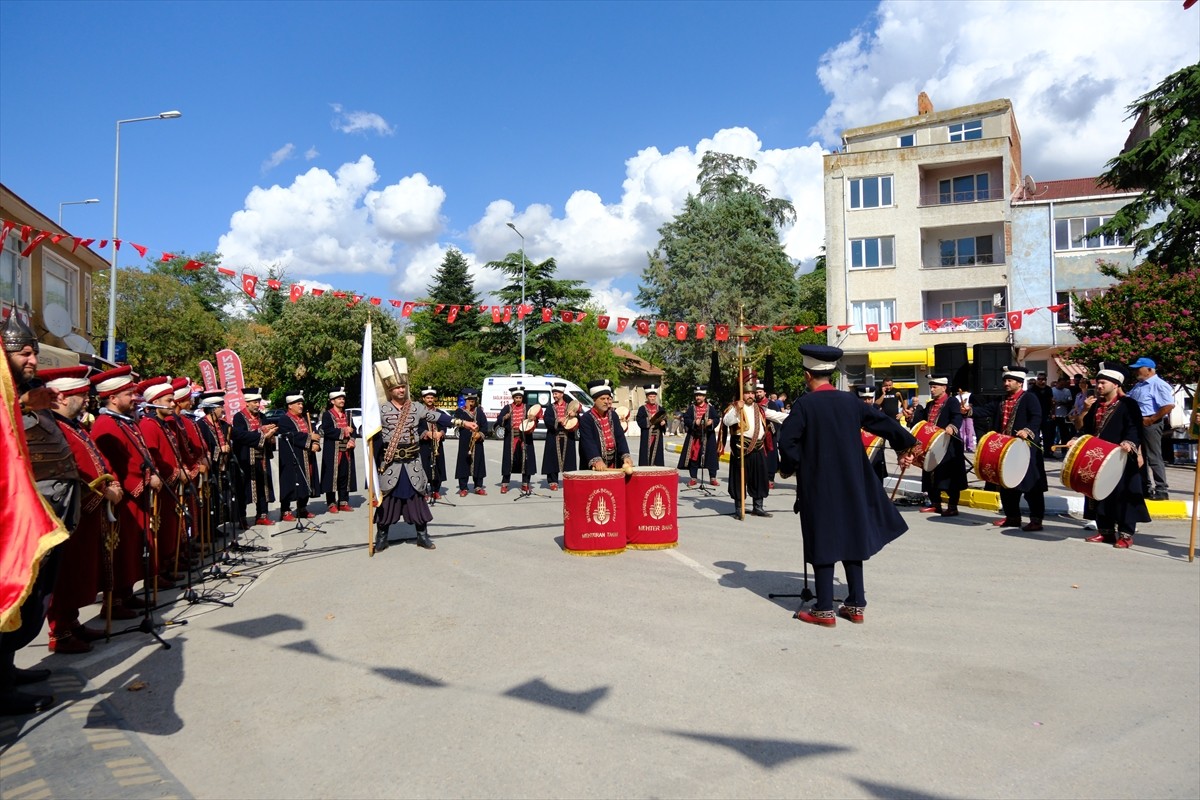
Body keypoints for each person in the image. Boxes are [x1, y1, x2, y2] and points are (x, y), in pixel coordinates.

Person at [776, 345, 917, 627]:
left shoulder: (805, 404)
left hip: (819, 483)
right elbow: (884, 423)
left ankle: (824, 609)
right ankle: (855, 604)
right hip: (854, 481)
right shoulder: (851, 401)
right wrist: (907, 443)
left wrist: (791, 467)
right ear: (830, 372)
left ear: (807, 375)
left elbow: (787, 442)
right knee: (852, 535)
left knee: (823, 537)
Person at [1, 316, 80, 715]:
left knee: (34, 597)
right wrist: (19, 405)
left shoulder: (31, 390)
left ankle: (8, 670)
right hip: (13, 517)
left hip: (46, 508)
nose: (33, 359)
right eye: (24, 352)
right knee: (13, 596)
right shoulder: (9, 396)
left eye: (34, 351)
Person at [41, 367, 120, 655]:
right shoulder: (53, 427)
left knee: (80, 571)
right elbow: (68, 473)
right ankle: (59, 632)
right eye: (80, 395)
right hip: (71, 514)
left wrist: (113, 483)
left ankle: (71, 622)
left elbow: (96, 461)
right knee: (67, 573)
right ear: (61, 396)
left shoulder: (73, 426)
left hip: (89, 513)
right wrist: (102, 491)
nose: (86, 401)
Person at [372, 358, 476, 551]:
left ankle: (422, 536)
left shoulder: (416, 407)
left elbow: (438, 417)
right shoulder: (379, 409)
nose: (401, 390)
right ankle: (382, 537)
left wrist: (463, 423)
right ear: (390, 390)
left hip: (413, 462)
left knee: (417, 500)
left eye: (403, 386)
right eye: (397, 388)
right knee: (386, 502)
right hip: (390, 463)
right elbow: (371, 435)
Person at [90, 366, 156, 621]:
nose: (133, 398)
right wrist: (139, 483)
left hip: (134, 495)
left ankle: (127, 592)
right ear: (113, 397)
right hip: (124, 498)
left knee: (132, 548)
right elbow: (115, 462)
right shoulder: (105, 424)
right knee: (120, 550)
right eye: (128, 393)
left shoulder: (122, 422)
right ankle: (114, 600)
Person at [1071, 362, 1151, 548]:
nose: (1098, 387)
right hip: (1098, 457)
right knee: (1099, 493)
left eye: (1103, 383)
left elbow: (1135, 428)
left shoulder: (1128, 404)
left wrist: (1129, 443)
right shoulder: (1095, 405)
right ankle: (1105, 532)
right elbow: (1086, 430)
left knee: (1123, 496)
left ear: (1115, 384)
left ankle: (1125, 534)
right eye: (1098, 383)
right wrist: (1076, 439)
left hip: (1121, 456)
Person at [963, 366, 1048, 531]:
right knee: (1007, 484)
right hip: (1006, 450)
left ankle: (1036, 520)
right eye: (1005, 380)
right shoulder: (1001, 400)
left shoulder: (1029, 398)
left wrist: (1027, 430)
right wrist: (969, 411)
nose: (1006, 383)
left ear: (1019, 382)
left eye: (1009, 380)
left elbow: (1037, 417)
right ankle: (1012, 517)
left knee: (1031, 486)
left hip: (1026, 449)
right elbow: (985, 410)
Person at [723, 380, 789, 517]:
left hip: (758, 448)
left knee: (759, 477)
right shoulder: (733, 407)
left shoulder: (760, 409)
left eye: (752, 393)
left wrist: (797, 416)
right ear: (742, 394)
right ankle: (739, 508)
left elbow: (778, 416)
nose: (750, 396)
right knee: (739, 478)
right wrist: (737, 410)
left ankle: (757, 506)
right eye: (747, 393)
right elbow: (727, 421)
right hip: (740, 449)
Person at [911, 376, 967, 516]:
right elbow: (922, 421)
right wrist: (910, 417)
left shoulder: (952, 402)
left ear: (944, 388)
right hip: (932, 445)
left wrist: (952, 427)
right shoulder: (930, 404)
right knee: (930, 474)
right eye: (931, 386)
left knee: (950, 476)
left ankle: (952, 506)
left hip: (948, 445)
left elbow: (957, 417)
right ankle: (935, 503)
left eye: (935, 386)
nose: (932, 389)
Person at [1126, 356, 1175, 500]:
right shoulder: (1139, 385)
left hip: (1151, 423)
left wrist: (1152, 419)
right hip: (1137, 423)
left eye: (1138, 368)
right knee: (1139, 456)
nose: (1136, 371)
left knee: (1154, 456)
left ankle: (1161, 489)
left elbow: (1168, 405)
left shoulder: (1158, 384)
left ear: (1149, 370)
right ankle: (1144, 488)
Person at [232, 388, 278, 526]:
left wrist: (271, 436)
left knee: (263, 486)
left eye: (258, 402)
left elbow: (267, 435)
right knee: (244, 488)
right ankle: (242, 517)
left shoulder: (262, 417)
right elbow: (240, 436)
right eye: (254, 402)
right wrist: (261, 431)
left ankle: (262, 515)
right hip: (245, 458)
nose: (257, 405)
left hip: (262, 456)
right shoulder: (239, 417)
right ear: (246, 403)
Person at [276, 393, 320, 521]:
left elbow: (312, 432)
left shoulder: (303, 418)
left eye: (301, 403)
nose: (301, 406)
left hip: (306, 455)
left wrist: (315, 443)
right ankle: (285, 510)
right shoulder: (284, 419)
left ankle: (302, 508)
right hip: (292, 457)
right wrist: (309, 438)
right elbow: (291, 435)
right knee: (289, 483)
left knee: (306, 481)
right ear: (290, 406)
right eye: (298, 404)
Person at [577, 379, 633, 469]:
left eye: (608, 398)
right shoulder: (586, 419)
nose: (606, 401)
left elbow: (620, 437)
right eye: (603, 399)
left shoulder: (613, 415)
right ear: (594, 400)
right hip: (596, 466)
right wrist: (596, 460)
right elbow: (588, 442)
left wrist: (625, 455)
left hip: (614, 463)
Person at [320, 387, 357, 513]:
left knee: (344, 475)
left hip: (347, 451)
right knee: (332, 476)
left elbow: (354, 430)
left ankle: (343, 501)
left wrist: (352, 440)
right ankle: (331, 503)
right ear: (332, 401)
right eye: (339, 398)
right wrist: (344, 431)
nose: (342, 400)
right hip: (333, 451)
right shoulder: (327, 415)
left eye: (343, 398)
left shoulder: (348, 414)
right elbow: (328, 431)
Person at [496, 387, 536, 494]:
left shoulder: (527, 408)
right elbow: (499, 420)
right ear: (513, 398)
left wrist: (533, 418)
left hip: (525, 437)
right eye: (516, 397)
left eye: (520, 397)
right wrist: (505, 417)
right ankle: (505, 483)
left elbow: (536, 416)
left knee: (526, 460)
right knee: (509, 461)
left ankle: (525, 483)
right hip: (511, 438)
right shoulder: (507, 408)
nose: (518, 399)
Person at [678, 385, 720, 487]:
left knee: (711, 457)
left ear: (704, 397)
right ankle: (693, 478)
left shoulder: (710, 408)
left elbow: (717, 418)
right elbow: (686, 418)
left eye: (700, 395)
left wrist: (712, 422)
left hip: (708, 436)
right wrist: (694, 422)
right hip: (694, 437)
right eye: (697, 395)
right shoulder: (691, 409)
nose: (698, 397)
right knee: (694, 457)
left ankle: (713, 478)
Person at [542, 381, 578, 489]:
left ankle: (569, 480)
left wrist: (574, 415)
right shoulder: (550, 407)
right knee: (552, 458)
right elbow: (547, 419)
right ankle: (553, 481)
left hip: (568, 436)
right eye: (553, 393)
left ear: (562, 394)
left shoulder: (570, 407)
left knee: (569, 459)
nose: (554, 395)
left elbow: (578, 419)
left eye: (556, 393)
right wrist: (557, 421)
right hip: (554, 435)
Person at [453, 390, 489, 496]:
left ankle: (478, 486)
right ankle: (463, 488)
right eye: (469, 400)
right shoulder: (460, 411)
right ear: (465, 400)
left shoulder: (479, 412)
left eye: (473, 400)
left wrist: (480, 434)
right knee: (463, 463)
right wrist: (467, 411)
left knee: (478, 463)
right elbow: (457, 423)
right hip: (464, 442)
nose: (471, 403)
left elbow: (485, 426)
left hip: (477, 443)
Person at [417, 387, 448, 500]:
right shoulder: (419, 413)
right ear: (423, 399)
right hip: (424, 445)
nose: (430, 399)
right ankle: (424, 490)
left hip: (437, 444)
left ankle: (436, 490)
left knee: (437, 466)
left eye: (431, 397)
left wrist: (441, 433)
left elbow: (444, 425)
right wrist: (426, 433)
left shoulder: (439, 413)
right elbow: (416, 427)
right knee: (424, 466)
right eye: (427, 397)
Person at [754, 382, 781, 488]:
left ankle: (770, 478)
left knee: (770, 457)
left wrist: (769, 428)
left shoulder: (771, 404)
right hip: (756, 436)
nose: (758, 394)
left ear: (764, 392)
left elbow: (777, 419)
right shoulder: (754, 404)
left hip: (769, 435)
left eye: (760, 392)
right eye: (756, 392)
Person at [859, 386, 888, 484]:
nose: (867, 401)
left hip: (876, 450)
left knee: (877, 479)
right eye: (864, 399)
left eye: (869, 398)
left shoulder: (878, 411)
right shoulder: (855, 411)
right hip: (861, 450)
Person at [635, 384, 667, 466]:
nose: (652, 398)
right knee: (645, 455)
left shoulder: (660, 409)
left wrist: (664, 423)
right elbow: (639, 421)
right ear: (647, 397)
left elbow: (665, 419)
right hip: (647, 436)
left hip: (657, 436)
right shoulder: (642, 409)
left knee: (657, 455)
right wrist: (649, 420)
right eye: (650, 396)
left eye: (654, 396)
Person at [1030, 372, 1056, 453]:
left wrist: (1053, 413)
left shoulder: (1048, 389)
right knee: (1035, 434)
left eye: (1043, 379)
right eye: (1039, 379)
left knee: (1048, 435)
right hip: (1034, 415)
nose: (1041, 381)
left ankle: (1048, 452)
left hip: (1046, 414)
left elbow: (1052, 402)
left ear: (1046, 380)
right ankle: (1035, 451)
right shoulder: (1032, 389)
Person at [1052, 377, 1074, 456]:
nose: (1062, 386)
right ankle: (1051, 449)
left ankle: (1064, 450)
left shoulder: (1067, 391)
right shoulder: (1053, 390)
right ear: (1058, 383)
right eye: (1061, 384)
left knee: (1064, 433)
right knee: (1052, 433)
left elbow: (1070, 402)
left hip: (1063, 415)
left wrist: (1063, 403)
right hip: (1055, 414)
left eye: (1064, 384)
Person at [956, 385, 976, 452]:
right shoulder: (956, 397)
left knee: (969, 430)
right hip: (960, 415)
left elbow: (972, 404)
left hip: (968, 415)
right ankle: (962, 446)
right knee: (961, 431)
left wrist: (968, 407)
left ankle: (970, 446)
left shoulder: (970, 395)